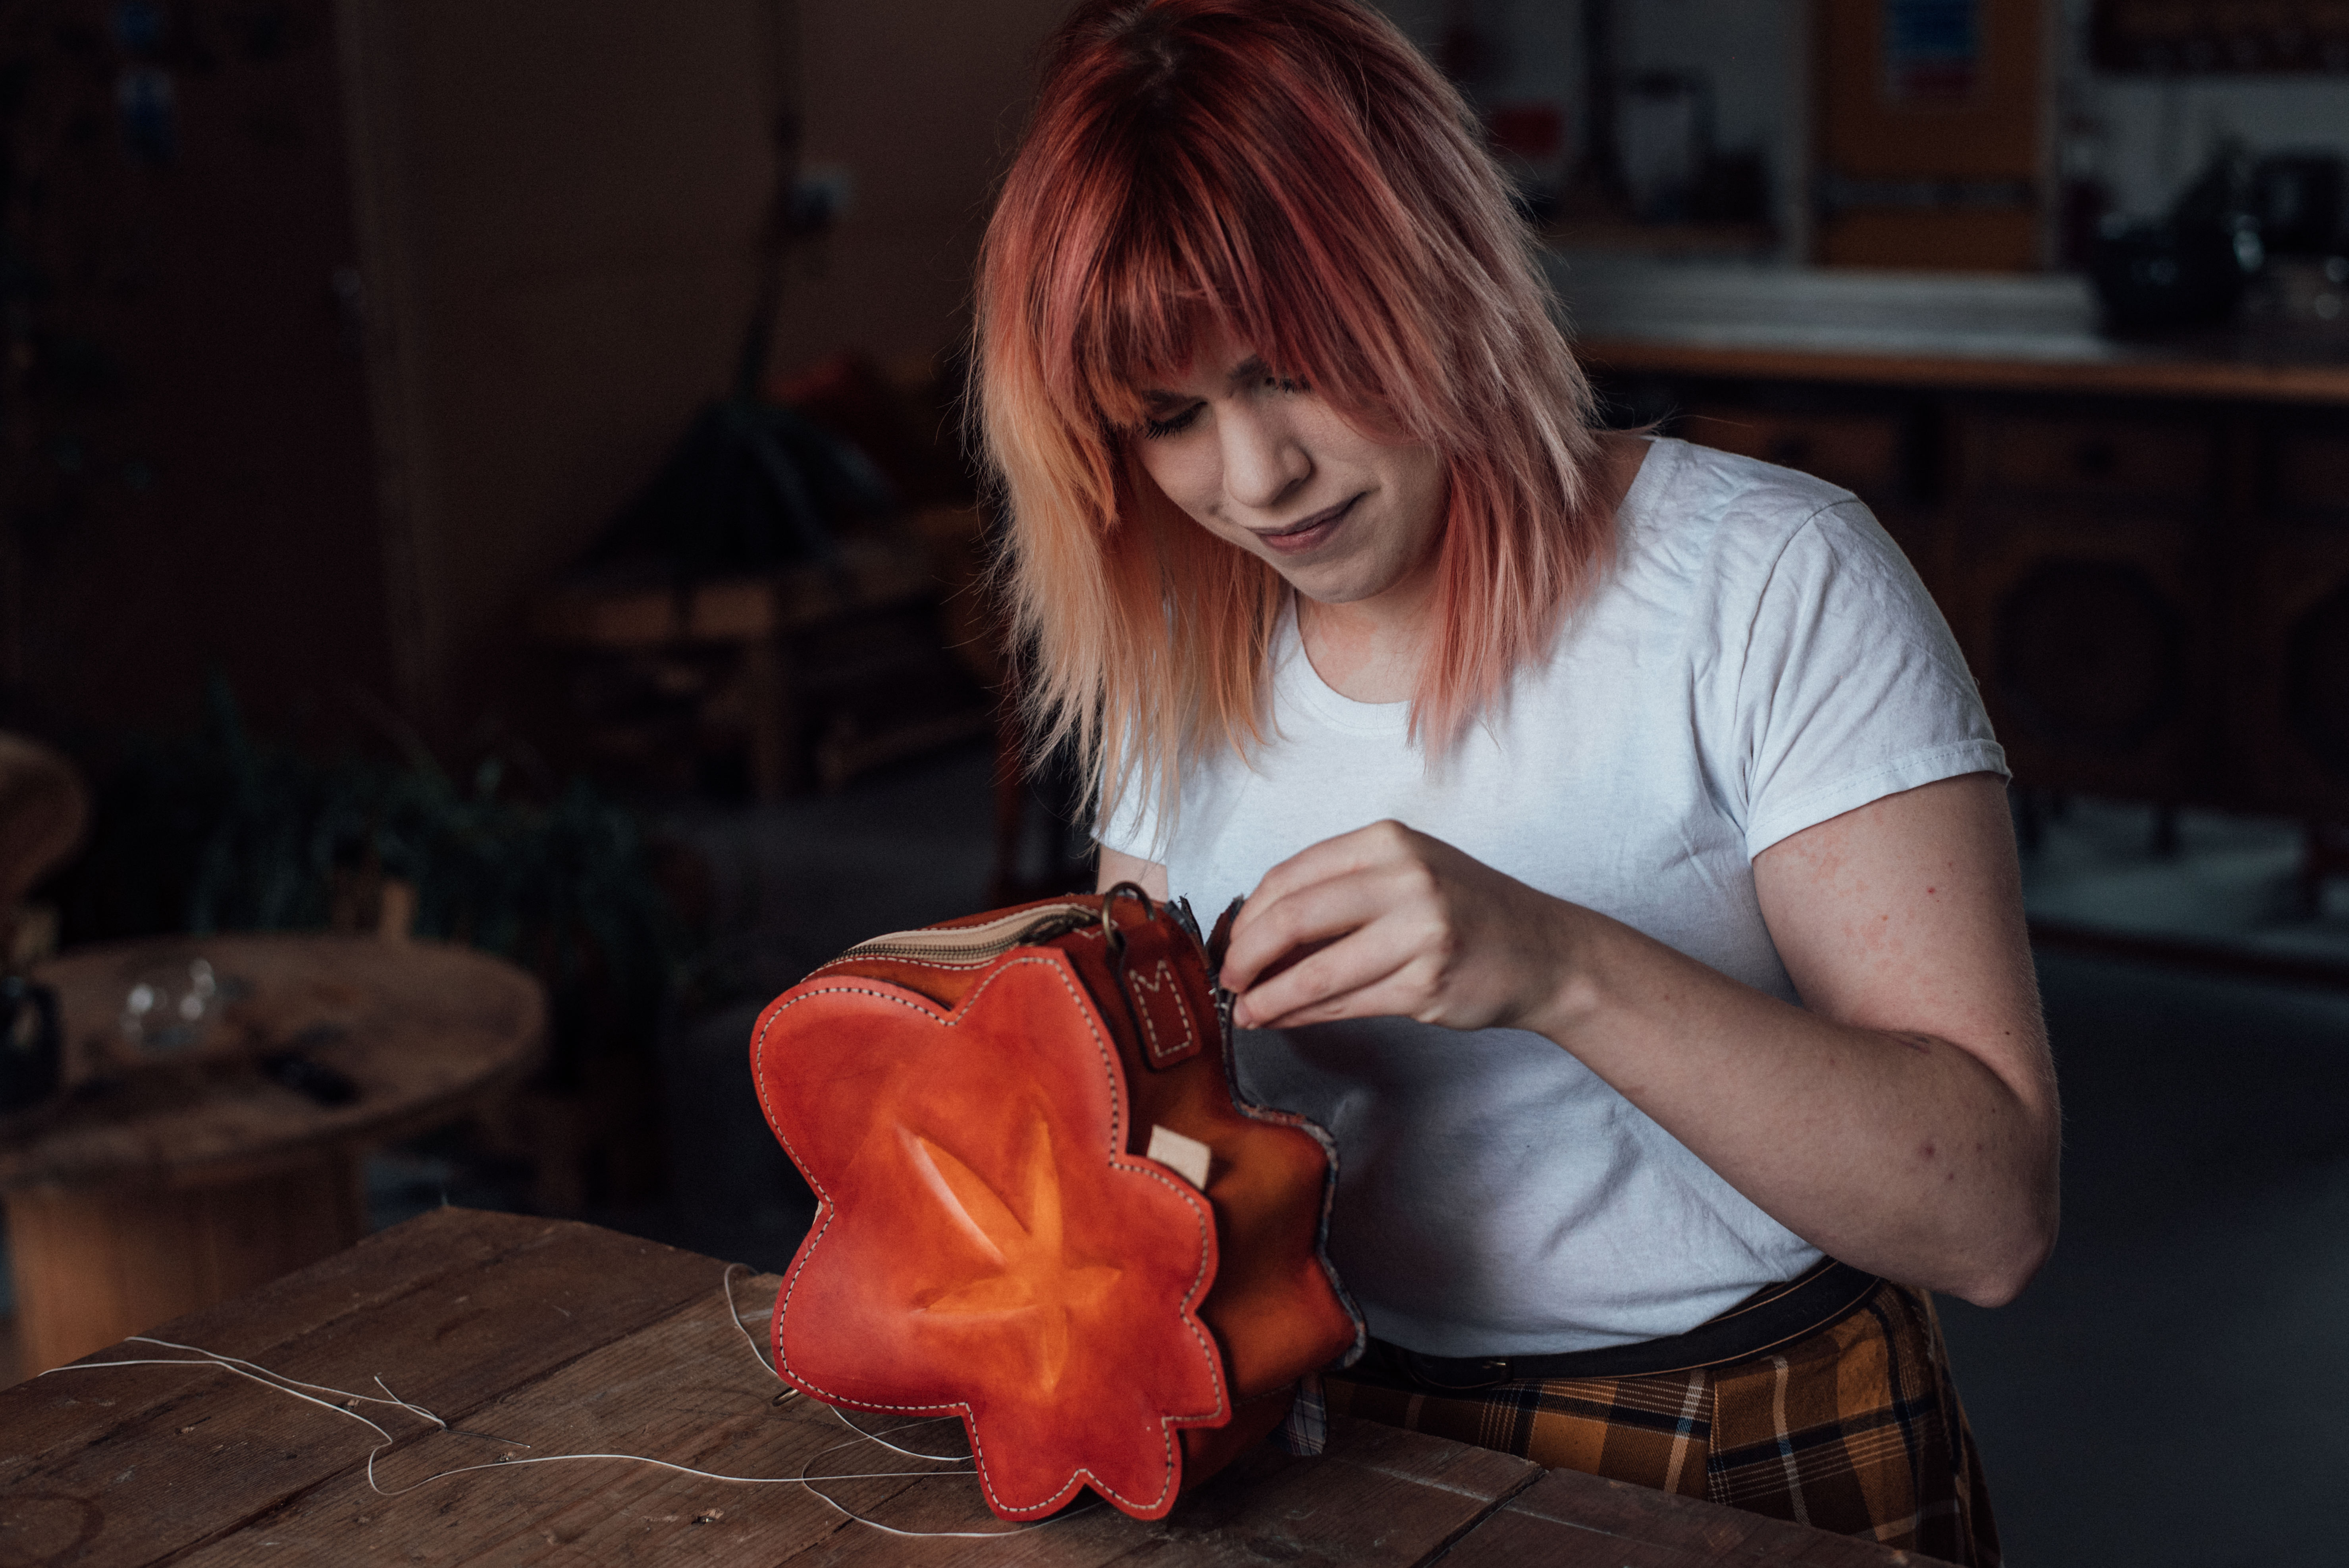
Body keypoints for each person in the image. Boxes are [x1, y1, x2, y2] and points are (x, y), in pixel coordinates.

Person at [971, 2, 2057, 1560]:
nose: (1255, 476)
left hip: (1735, 1429)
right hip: (1328, 1411)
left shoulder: (1763, 582)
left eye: (1296, 368)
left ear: (1437, 278)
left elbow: (1990, 1217)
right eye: (1170, 417)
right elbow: (1158, 1139)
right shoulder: (1182, 649)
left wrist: (1554, 961)